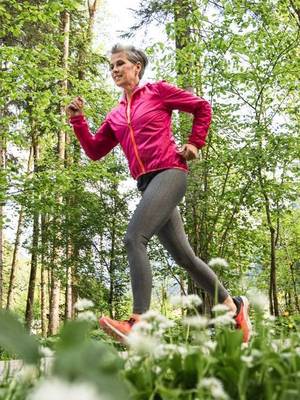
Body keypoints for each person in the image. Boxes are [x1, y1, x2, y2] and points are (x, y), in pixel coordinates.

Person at [66, 44, 252, 343]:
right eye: (111, 65)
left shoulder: (157, 92)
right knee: (186, 259)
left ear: (136, 67)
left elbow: (202, 107)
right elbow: (95, 151)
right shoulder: (115, 115)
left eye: (120, 63)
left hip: (170, 172)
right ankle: (234, 307)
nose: (114, 69)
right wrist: (78, 120)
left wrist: (195, 143)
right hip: (146, 184)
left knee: (134, 237)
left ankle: (139, 323)